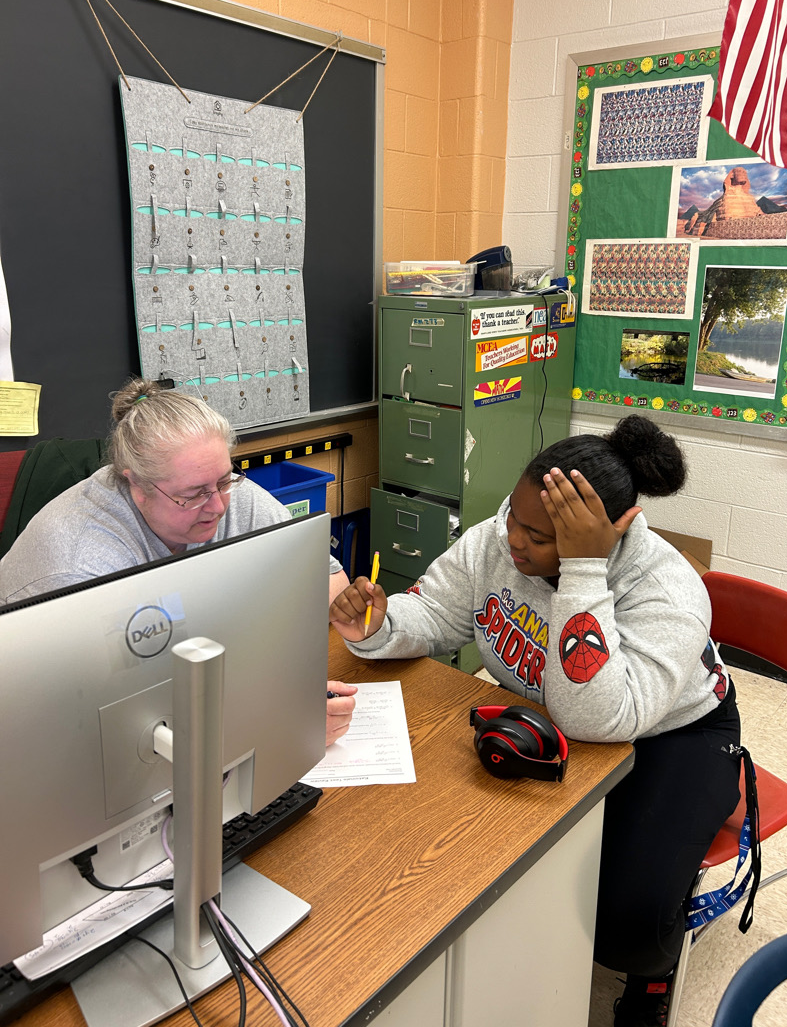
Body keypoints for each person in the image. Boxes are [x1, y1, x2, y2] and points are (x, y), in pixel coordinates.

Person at [330, 415, 741, 1027]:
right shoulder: (498, 540)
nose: (514, 543)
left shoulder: (667, 590)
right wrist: (378, 627)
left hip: (671, 730)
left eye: (539, 537)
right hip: (549, 713)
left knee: (628, 914)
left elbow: (599, 717)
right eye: (513, 519)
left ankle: (651, 981)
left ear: (611, 532)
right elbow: (439, 614)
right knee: (457, 843)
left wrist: (580, 571)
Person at [0, 378, 356, 746]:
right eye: (193, 494)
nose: (218, 506)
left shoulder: (218, 490)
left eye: (224, 480)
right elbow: (117, 717)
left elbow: (329, 582)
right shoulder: (81, 563)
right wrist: (276, 714)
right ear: (136, 485)